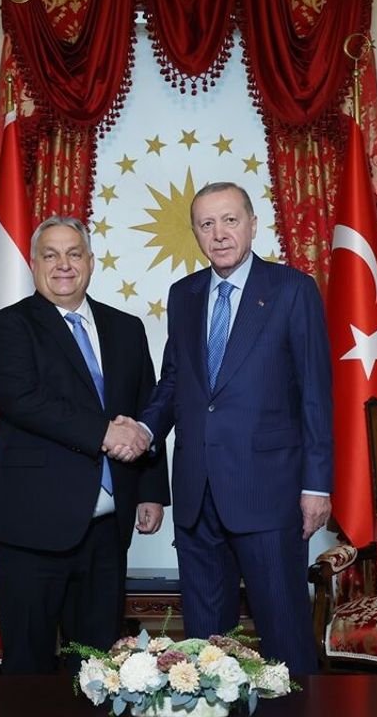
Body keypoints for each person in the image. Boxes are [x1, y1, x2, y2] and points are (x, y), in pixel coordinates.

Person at [135, 182, 332, 675]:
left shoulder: (292, 290)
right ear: (196, 233)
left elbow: (315, 393)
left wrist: (317, 485)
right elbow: (175, 381)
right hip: (197, 492)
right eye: (207, 224)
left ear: (252, 224)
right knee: (204, 650)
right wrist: (143, 430)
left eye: (229, 220)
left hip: (268, 492)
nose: (219, 233)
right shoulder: (183, 295)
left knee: (284, 639)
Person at [0, 215, 167, 674]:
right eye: (50, 255)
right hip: (31, 525)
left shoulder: (126, 328)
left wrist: (150, 491)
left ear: (91, 262)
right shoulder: (8, 326)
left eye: (73, 253)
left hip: (107, 527)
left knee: (99, 665)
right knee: (29, 665)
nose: (63, 265)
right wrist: (105, 433)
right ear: (33, 264)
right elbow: (24, 400)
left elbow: (146, 408)